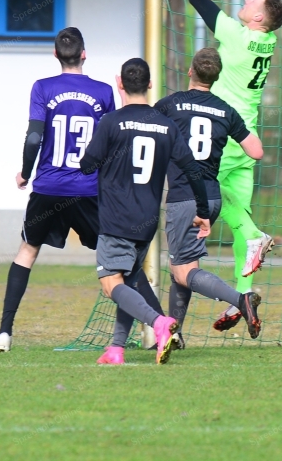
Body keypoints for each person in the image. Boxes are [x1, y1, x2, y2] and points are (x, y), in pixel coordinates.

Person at [170, 0, 282, 331]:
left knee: (210, 196)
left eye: (253, 2)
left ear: (258, 17)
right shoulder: (267, 37)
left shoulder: (236, 37)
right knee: (241, 218)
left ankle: (254, 237)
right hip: (248, 131)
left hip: (224, 131)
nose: (248, 0)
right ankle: (242, 299)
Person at [80, 58, 211, 365]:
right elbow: (192, 168)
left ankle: (159, 322)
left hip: (116, 219)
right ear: (150, 84)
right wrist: (203, 209)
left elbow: (87, 165)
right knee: (128, 281)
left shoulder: (111, 122)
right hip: (147, 222)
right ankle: (116, 348)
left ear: (119, 83)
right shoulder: (166, 125)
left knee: (112, 285)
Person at [0, 27, 116, 352]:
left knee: (27, 252)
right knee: (112, 254)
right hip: (87, 189)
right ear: (85, 54)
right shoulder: (104, 92)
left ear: (55, 55)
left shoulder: (43, 88)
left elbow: (34, 136)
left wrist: (25, 172)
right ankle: (143, 327)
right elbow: (112, 142)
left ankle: (4, 332)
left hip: (48, 187)